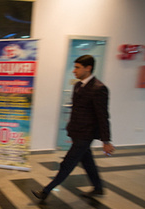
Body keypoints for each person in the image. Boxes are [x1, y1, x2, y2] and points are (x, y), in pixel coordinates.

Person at [32, 55, 115, 201]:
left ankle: (46, 191)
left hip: (86, 134)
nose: (74, 71)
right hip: (76, 132)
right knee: (87, 161)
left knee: (68, 163)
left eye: (77, 67)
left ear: (88, 68)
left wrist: (106, 141)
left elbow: (103, 116)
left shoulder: (99, 89)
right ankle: (98, 188)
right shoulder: (78, 85)